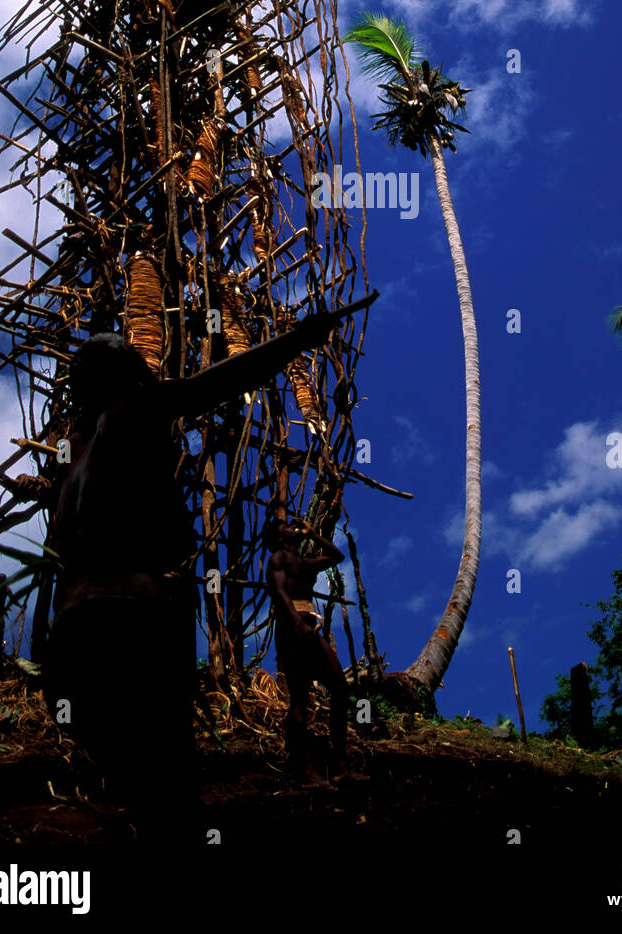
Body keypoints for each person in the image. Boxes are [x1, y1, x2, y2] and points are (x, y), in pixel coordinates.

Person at [42, 292, 376, 831]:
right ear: (129, 374)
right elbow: (223, 377)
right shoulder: (137, 409)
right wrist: (300, 338)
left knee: (127, 781)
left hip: (73, 631)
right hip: (134, 614)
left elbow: (62, 556)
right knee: (170, 789)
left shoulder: (74, 451)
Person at [265, 516, 352, 785]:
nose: (294, 528)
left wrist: (313, 534)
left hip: (308, 627)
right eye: (288, 528)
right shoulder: (278, 559)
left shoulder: (303, 563)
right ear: (280, 538)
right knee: (300, 697)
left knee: (339, 686)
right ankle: (303, 769)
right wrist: (296, 625)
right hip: (292, 628)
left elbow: (337, 556)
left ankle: (339, 765)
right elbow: (279, 593)